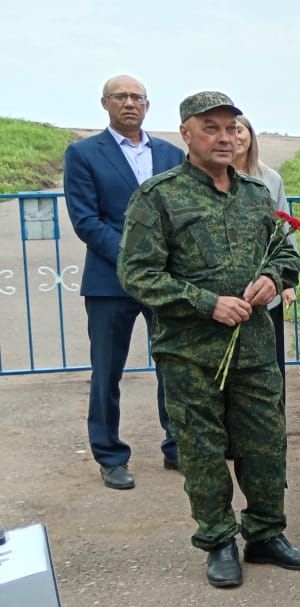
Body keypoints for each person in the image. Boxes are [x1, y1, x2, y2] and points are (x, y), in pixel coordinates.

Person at [117, 91, 300, 587]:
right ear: (185, 133)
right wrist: (206, 302)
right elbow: (137, 273)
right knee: (203, 449)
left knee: (266, 444)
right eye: (211, 127)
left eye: (231, 127)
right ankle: (218, 541)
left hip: (252, 347)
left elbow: (287, 256)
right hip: (189, 352)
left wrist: (275, 277)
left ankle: (266, 535)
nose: (224, 137)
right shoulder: (158, 196)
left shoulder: (256, 194)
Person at [64, 74, 184, 489]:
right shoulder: (83, 154)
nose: (129, 103)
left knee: (172, 365)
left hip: (165, 281)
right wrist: (135, 258)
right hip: (108, 281)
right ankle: (110, 455)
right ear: (105, 103)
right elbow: (86, 219)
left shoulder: (171, 154)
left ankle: (177, 446)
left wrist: (163, 262)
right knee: (107, 371)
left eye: (137, 97)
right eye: (120, 97)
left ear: (148, 105)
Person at [233, 115, 295, 395]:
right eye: (228, 129)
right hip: (227, 291)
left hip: (266, 286)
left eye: (240, 129)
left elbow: (284, 228)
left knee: (270, 365)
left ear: (250, 135)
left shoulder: (269, 178)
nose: (235, 136)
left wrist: (287, 282)